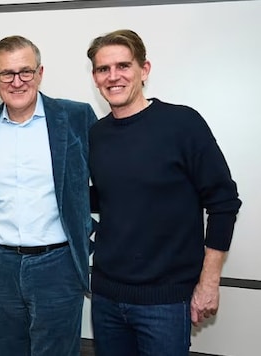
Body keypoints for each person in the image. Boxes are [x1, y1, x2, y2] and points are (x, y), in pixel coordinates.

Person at [86, 29, 242, 356]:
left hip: (165, 303)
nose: (113, 77)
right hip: (105, 298)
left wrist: (209, 282)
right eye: (103, 69)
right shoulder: (96, 134)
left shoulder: (183, 124)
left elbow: (223, 203)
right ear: (95, 77)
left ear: (144, 70)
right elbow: (111, 198)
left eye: (123, 66)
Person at [0, 35, 97, 356]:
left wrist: (88, 230)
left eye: (25, 72)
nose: (17, 82)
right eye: (7, 74)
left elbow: (108, 184)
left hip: (58, 265)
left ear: (40, 73)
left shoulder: (76, 118)